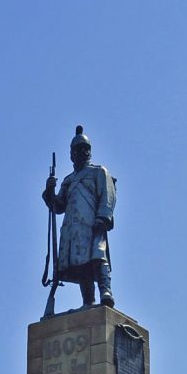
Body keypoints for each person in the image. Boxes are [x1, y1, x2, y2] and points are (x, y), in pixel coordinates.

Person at [42, 125, 116, 308]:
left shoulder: (99, 172)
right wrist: (49, 191)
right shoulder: (68, 180)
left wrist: (103, 217)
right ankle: (88, 302)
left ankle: (105, 290)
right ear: (71, 154)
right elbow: (58, 206)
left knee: (98, 256)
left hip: (93, 223)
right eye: (77, 150)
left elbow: (108, 195)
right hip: (73, 228)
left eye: (85, 149)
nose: (81, 152)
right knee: (81, 264)